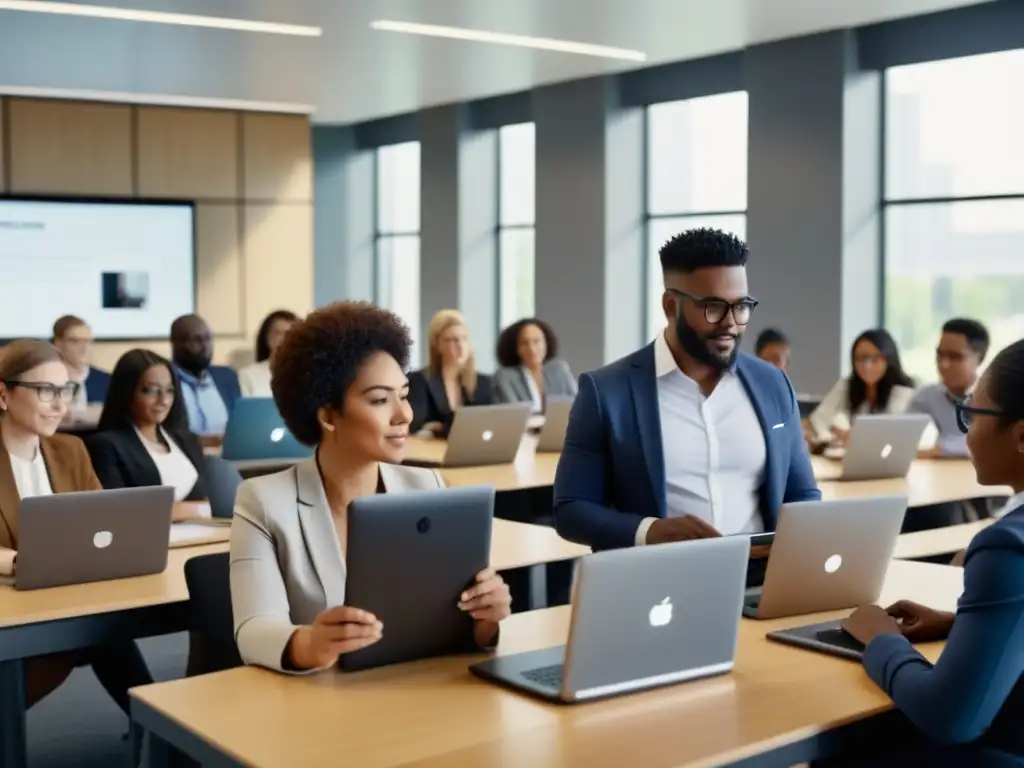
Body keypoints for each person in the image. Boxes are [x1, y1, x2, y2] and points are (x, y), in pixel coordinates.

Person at [230, 302, 511, 673]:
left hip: (419, 694)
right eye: (380, 400)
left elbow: (454, 628)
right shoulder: (265, 501)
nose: (404, 415)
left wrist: (485, 617)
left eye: (405, 394)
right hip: (322, 708)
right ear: (328, 415)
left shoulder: (426, 486)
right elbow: (253, 631)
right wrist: (311, 644)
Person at [553, 228, 820, 552]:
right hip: (658, 587)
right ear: (670, 306)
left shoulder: (772, 384)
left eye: (741, 306)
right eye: (713, 308)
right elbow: (571, 510)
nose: (730, 323)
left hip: (759, 583)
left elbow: (803, 495)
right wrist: (650, 532)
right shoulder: (606, 392)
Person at [840, 338, 1024, 765]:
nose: (967, 431)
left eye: (971, 415)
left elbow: (950, 718)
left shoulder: (1006, 546)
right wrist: (960, 624)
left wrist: (882, 639)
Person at [0, 341, 152, 714]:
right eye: (45, 391)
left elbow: (102, 524)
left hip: (67, 596)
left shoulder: (71, 451)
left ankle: (165, 738)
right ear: (4, 394)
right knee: (101, 632)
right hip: (13, 604)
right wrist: (15, 562)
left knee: (104, 628)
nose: (60, 404)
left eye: (65, 389)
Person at [87, 349, 210, 518]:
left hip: (204, 537)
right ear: (128, 392)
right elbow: (120, 511)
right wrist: (191, 510)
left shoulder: (188, 440)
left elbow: (208, 501)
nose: (163, 400)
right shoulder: (106, 445)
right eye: (151, 390)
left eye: (169, 391)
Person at [808, 329, 915, 445]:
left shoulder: (903, 392)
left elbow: (894, 436)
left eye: (874, 359)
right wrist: (829, 435)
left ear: (889, 359)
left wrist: (853, 436)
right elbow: (818, 418)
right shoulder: (848, 385)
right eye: (860, 359)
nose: (866, 366)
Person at [909, 318, 990, 459]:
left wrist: (942, 448)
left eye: (955, 357)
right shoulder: (926, 397)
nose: (943, 364)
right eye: (940, 355)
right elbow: (902, 441)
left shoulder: (996, 397)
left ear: (980, 358)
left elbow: (992, 446)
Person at [408, 309, 494, 435]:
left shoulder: (483, 383)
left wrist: (438, 427)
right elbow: (416, 426)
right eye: (451, 340)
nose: (460, 346)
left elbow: (490, 423)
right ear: (437, 345)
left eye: (464, 339)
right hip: (432, 452)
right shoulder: (419, 380)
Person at [170, 314, 241, 440]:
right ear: (176, 343)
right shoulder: (165, 379)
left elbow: (242, 424)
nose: (205, 346)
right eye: (196, 339)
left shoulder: (227, 377)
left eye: (208, 338)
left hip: (228, 455)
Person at [493, 318, 577, 410]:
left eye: (536, 341)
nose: (532, 349)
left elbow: (578, 405)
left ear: (546, 343)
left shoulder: (559, 370)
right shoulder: (505, 377)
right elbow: (513, 414)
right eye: (524, 343)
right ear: (516, 348)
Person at [52, 315, 110, 408]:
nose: (84, 348)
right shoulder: (47, 380)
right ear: (58, 343)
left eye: (87, 341)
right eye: (75, 341)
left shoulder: (106, 381)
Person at [238, 310, 298, 398]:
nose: (285, 339)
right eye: (279, 333)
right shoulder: (248, 374)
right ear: (267, 337)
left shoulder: (307, 374)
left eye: (291, 333)